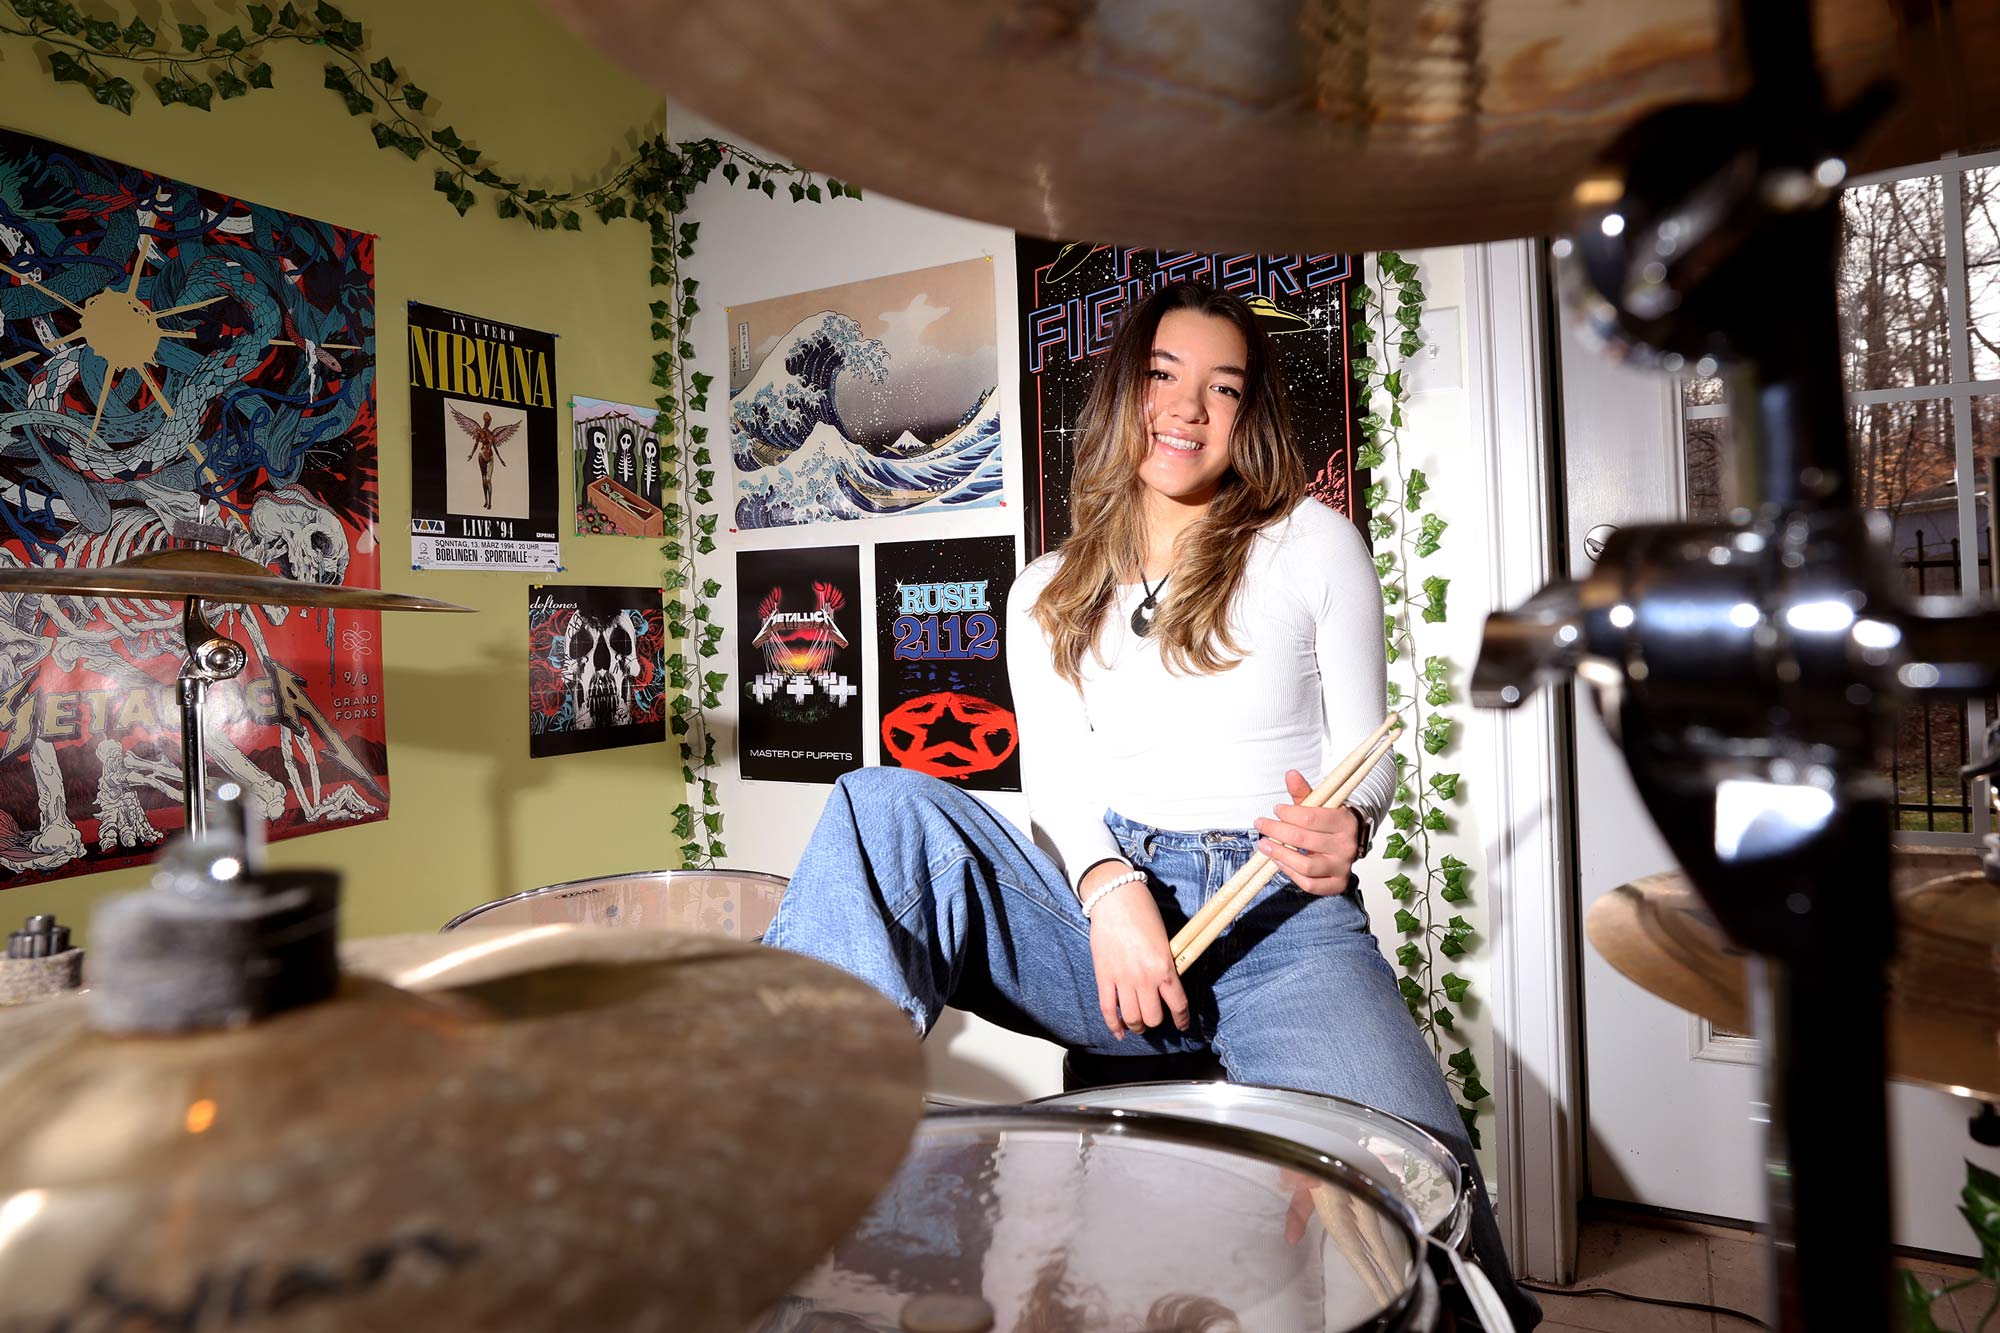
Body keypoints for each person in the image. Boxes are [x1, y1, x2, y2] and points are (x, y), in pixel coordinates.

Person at [764, 281, 1539, 1329]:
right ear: (1123, 391)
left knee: (1422, 1186)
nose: (1186, 407)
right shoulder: (1044, 588)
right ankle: (779, 1158)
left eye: (1221, 388)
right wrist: (1107, 886)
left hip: (1280, 923)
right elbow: (1058, 782)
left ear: (1245, 416)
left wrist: (1343, 830)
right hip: (1108, 923)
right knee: (877, 806)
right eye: (1163, 376)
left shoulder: (1312, 545)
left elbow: (1366, 754)